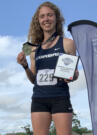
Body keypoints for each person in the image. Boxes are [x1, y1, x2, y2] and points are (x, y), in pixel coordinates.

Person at [17, 1, 79, 135]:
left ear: (56, 18)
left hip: (60, 98)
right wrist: (25, 66)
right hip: (39, 99)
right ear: (38, 21)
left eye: (50, 15)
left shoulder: (68, 44)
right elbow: (34, 79)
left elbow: (75, 73)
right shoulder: (33, 49)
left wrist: (72, 76)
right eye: (42, 16)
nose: (46, 19)